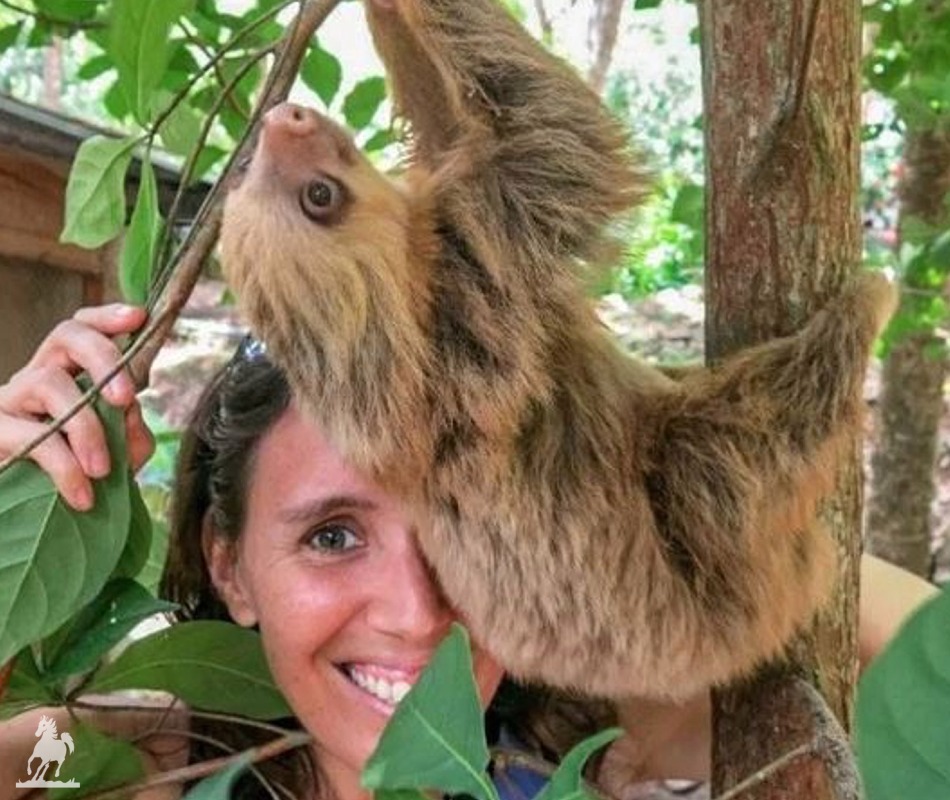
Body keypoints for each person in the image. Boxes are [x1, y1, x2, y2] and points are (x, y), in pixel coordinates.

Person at [0, 305, 939, 800]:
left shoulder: (579, 737)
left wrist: (626, 445)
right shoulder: (130, 757)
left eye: (462, 527)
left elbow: (914, 647)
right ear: (229, 565)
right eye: (333, 536)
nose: (417, 612)